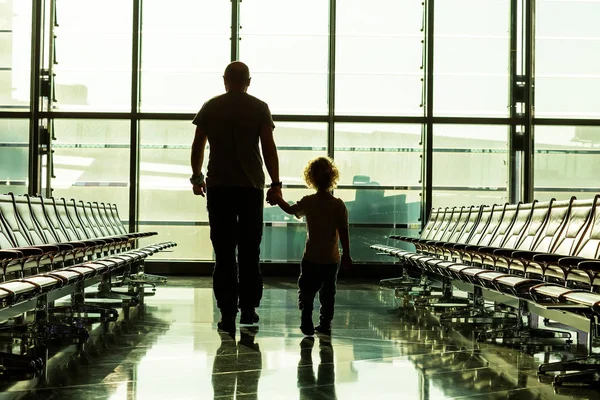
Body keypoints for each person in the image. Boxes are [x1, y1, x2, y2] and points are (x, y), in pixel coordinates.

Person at [190, 61, 282, 334]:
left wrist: (197, 177)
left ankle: (227, 312)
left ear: (225, 80)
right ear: (249, 81)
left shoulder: (211, 106)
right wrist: (276, 184)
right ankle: (249, 309)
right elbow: (268, 147)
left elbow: (198, 144)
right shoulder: (259, 107)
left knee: (224, 252)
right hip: (251, 187)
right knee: (250, 251)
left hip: (219, 187)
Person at [271, 156, 351, 336]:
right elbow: (344, 232)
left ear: (311, 179)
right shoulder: (339, 205)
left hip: (311, 257)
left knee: (306, 290)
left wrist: (277, 199)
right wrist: (346, 254)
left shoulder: (308, 202)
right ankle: (325, 323)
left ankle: (306, 319)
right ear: (333, 178)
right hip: (331, 259)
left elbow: (292, 210)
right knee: (328, 293)